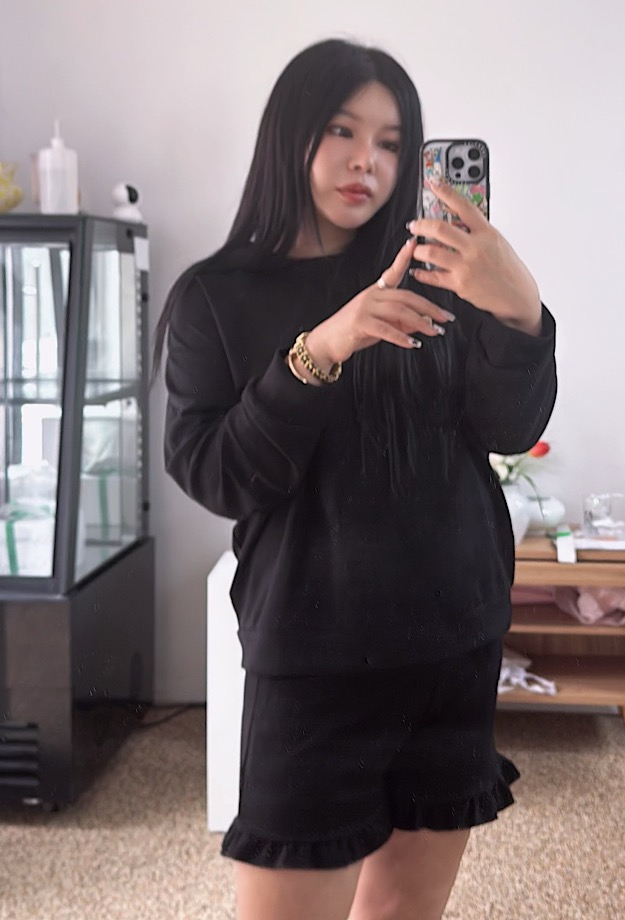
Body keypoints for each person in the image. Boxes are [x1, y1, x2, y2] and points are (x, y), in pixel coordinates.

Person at [155, 37, 556, 920]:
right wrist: (323, 348)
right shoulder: (215, 297)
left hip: (453, 644)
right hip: (314, 658)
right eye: (342, 130)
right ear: (290, 135)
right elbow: (219, 475)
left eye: (390, 141)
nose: (365, 160)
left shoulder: (445, 277)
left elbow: (513, 429)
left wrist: (519, 309)